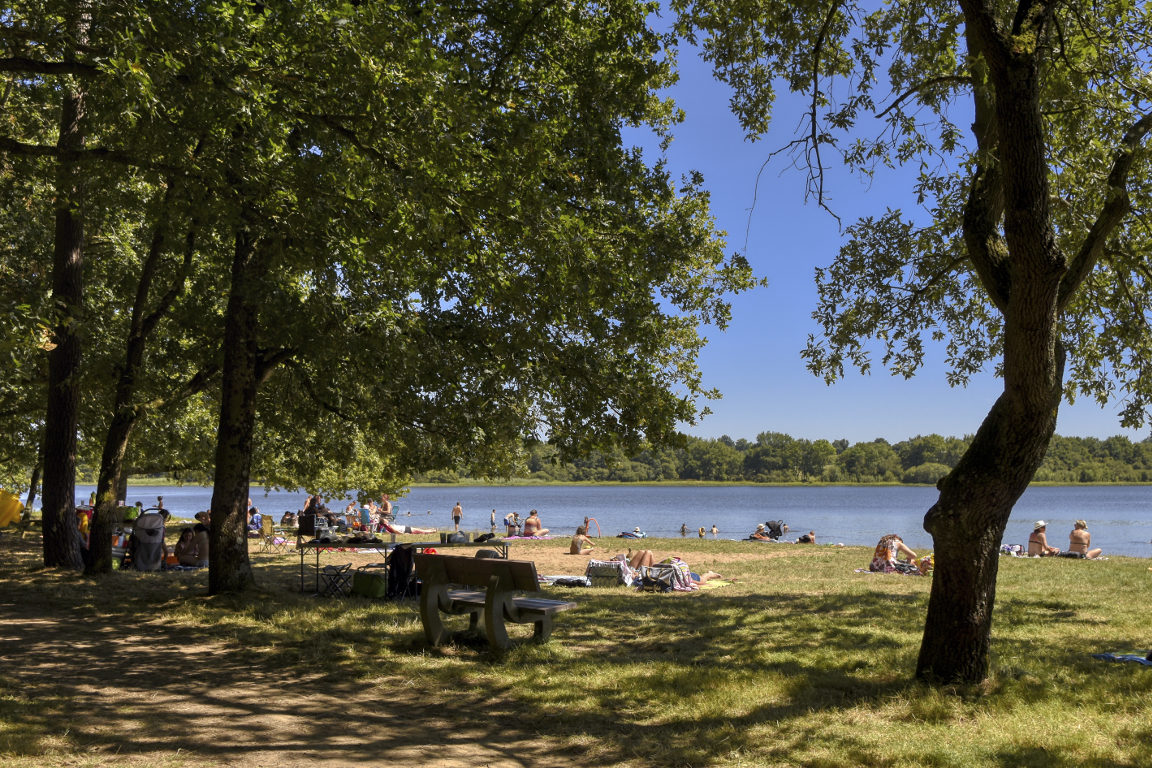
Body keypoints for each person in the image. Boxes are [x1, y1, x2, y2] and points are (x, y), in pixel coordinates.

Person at [627, 550, 725, 585]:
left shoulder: (682, 578)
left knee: (703, 578)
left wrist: (703, 584)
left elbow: (690, 582)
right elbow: (692, 583)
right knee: (702, 580)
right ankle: (710, 574)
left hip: (687, 576)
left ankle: (710, 574)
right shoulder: (673, 576)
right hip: (682, 574)